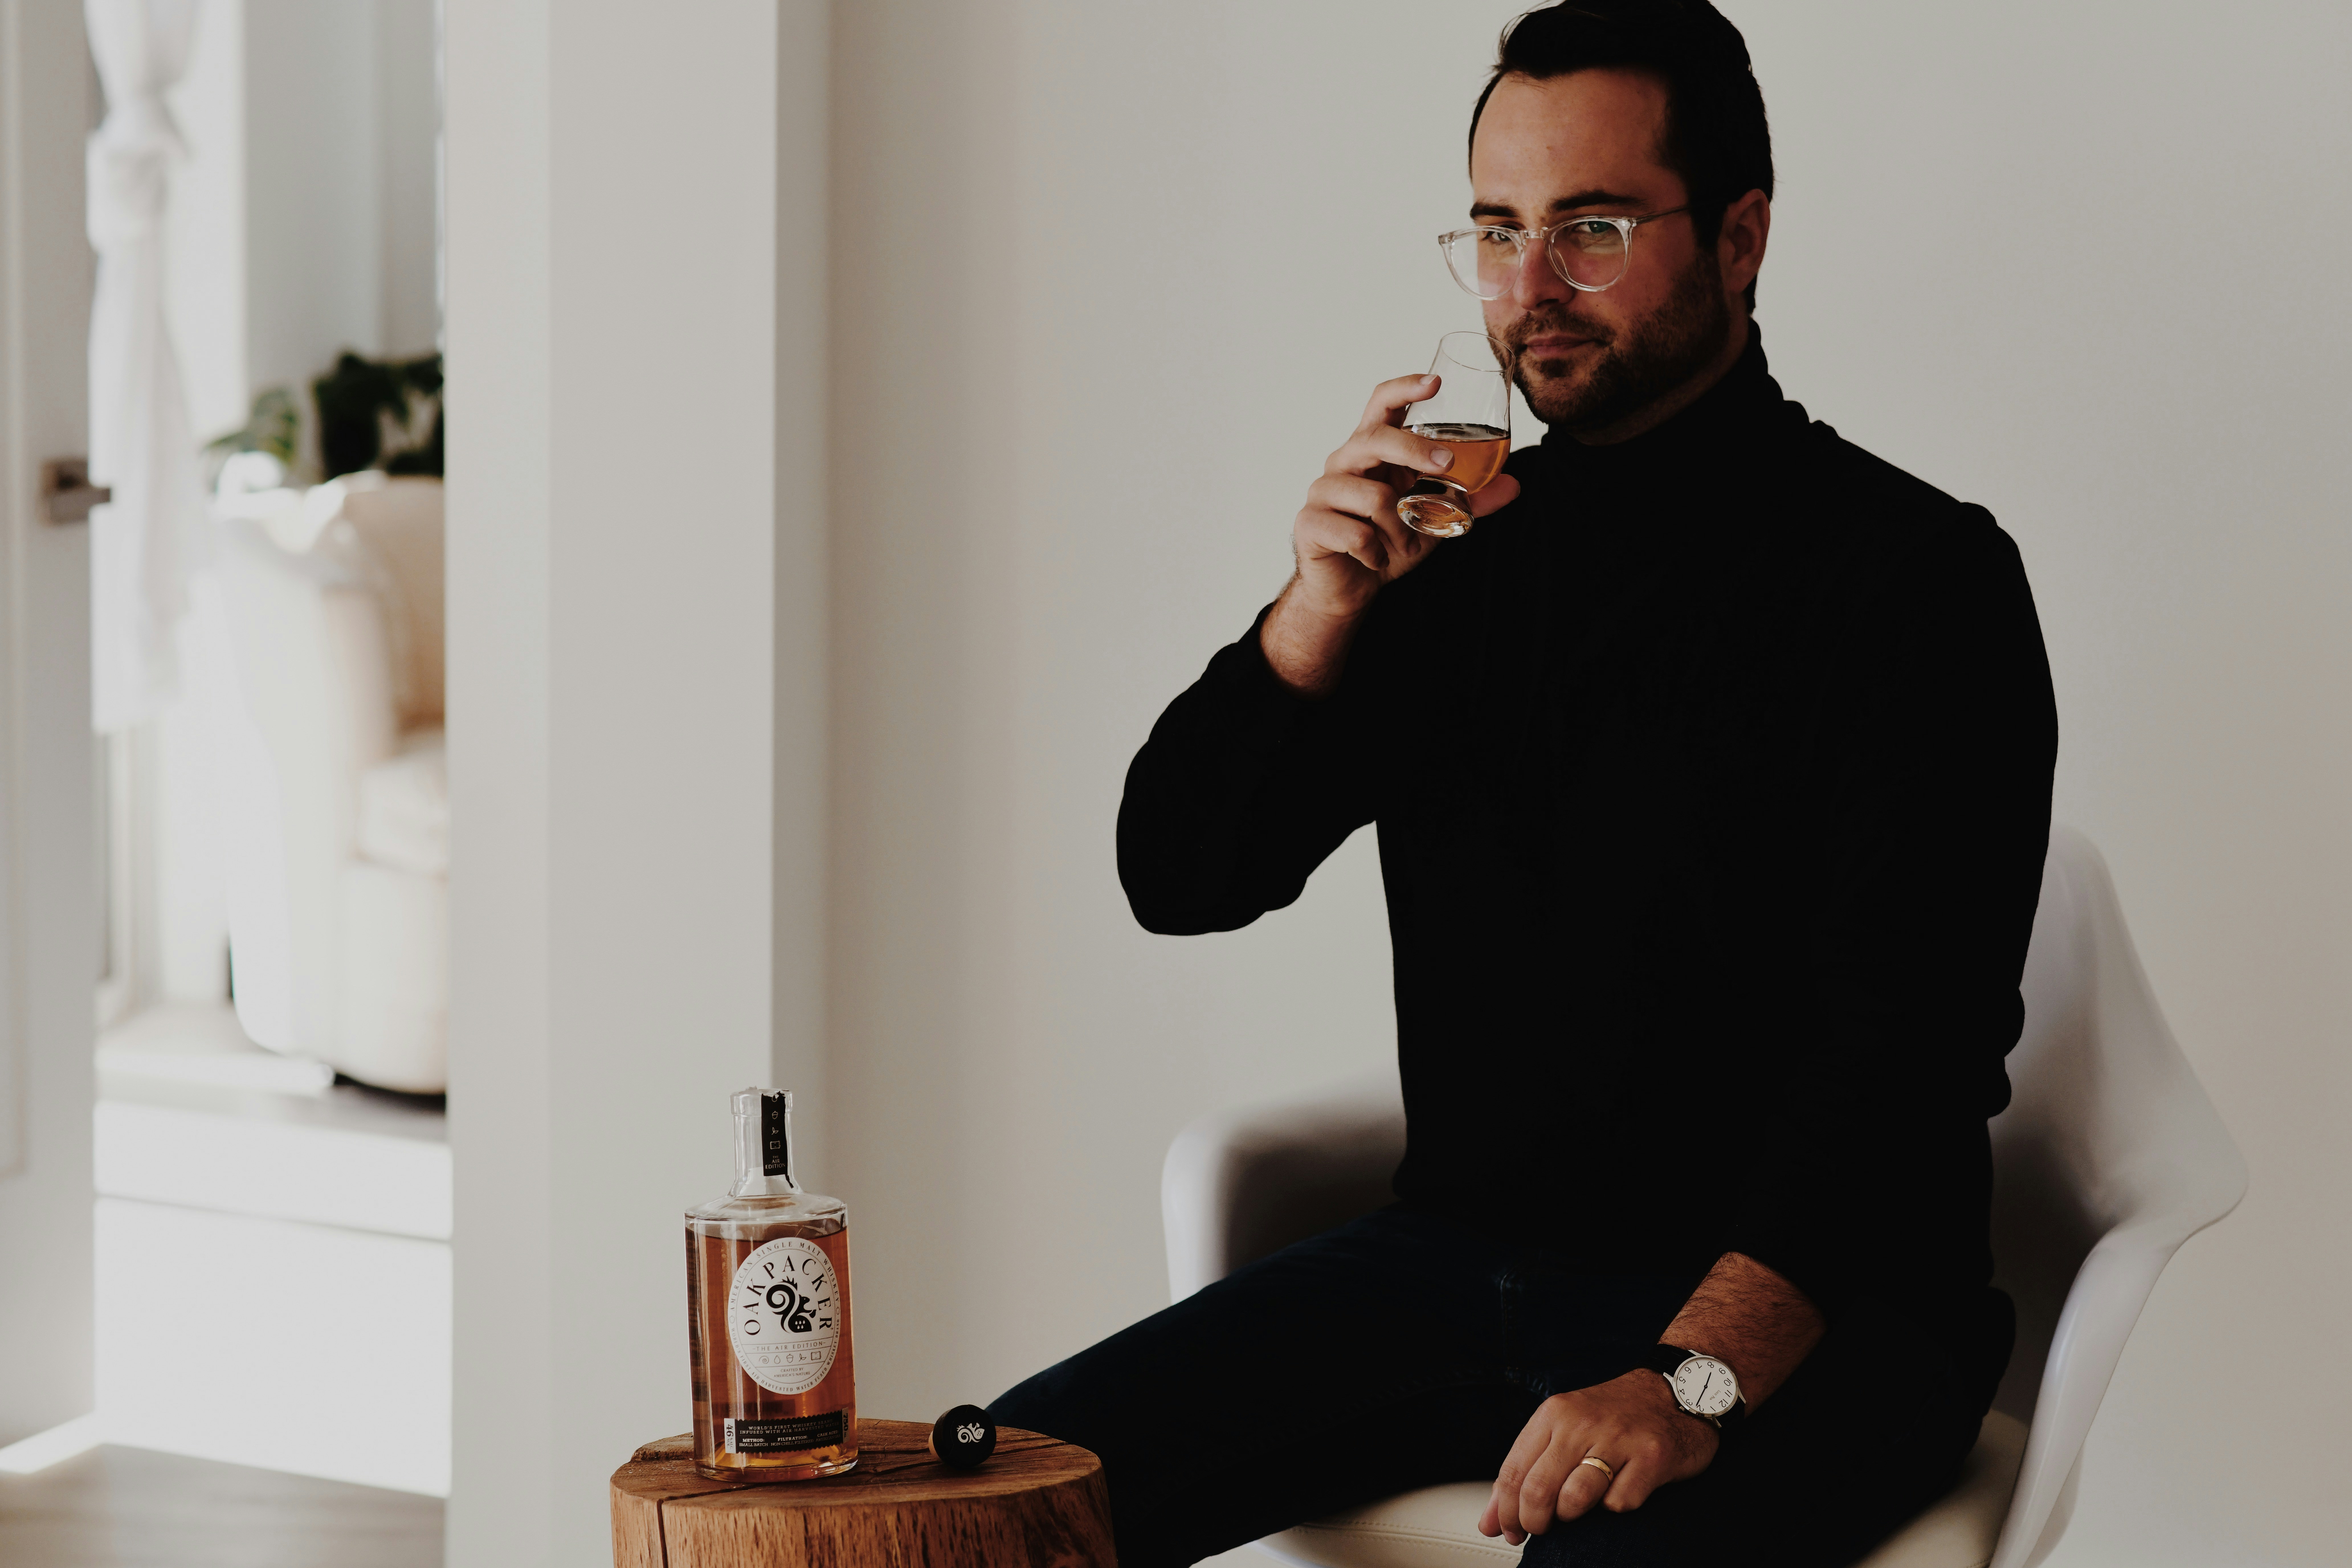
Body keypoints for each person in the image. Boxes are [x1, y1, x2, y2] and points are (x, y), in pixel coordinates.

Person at [989, 3, 2057, 1563]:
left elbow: (1905, 1071)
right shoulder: (1450, 557)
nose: (1530, 287)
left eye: (1592, 229)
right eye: (1497, 232)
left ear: (1742, 237)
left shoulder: (1919, 581)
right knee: (968, 1516)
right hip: (1454, 1271)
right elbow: (1183, 875)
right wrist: (1312, 619)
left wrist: (1692, 1380)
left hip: (1819, 1313)